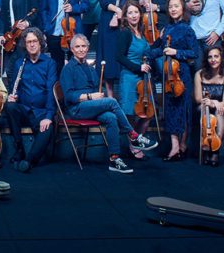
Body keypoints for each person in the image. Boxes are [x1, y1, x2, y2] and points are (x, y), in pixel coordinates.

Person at [61, 34, 157, 173]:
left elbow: (95, 89)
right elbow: (69, 96)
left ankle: (114, 159)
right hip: (76, 109)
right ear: (72, 49)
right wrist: (91, 96)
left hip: (89, 107)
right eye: (77, 46)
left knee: (111, 118)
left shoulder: (89, 67)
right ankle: (133, 135)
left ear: (88, 48)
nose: (81, 49)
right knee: (112, 102)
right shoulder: (68, 69)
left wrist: (98, 97)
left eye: (84, 46)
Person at [5, 28, 56, 172]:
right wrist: (12, 96)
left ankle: (29, 161)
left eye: (34, 41)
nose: (32, 45)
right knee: (9, 106)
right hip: (24, 109)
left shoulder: (49, 63)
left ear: (40, 43)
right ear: (25, 45)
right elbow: (15, 88)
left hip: (40, 112)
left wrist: (48, 117)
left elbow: (51, 92)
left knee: (48, 129)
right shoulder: (19, 63)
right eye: (28, 42)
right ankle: (19, 148)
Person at [115, 1, 161, 159]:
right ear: (125, 16)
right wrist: (138, 68)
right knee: (130, 114)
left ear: (140, 14)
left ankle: (137, 140)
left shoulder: (141, 32)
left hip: (144, 80)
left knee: (147, 114)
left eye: (136, 12)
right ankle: (132, 143)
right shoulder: (125, 33)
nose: (133, 15)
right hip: (129, 77)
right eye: (130, 13)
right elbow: (119, 56)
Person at [156, 0, 197, 162]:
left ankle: (182, 145)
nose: (173, 9)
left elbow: (194, 53)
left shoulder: (188, 29)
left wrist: (176, 52)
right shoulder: (165, 29)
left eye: (176, 6)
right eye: (171, 6)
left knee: (184, 110)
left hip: (182, 73)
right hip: (168, 75)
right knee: (171, 110)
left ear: (182, 9)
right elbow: (159, 50)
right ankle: (175, 147)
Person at [94, 0, 131, 98]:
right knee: (107, 58)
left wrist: (119, 13)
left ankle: (123, 97)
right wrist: (116, 10)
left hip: (122, 20)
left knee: (120, 54)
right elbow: (102, 1)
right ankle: (109, 96)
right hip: (106, 20)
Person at [194, 47, 224, 166]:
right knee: (204, 109)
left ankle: (215, 149)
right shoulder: (199, 74)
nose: (213, 59)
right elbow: (198, 99)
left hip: (219, 107)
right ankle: (205, 146)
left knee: (220, 112)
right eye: (210, 57)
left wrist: (215, 103)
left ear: (221, 58)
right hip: (203, 106)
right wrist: (211, 102)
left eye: (216, 56)